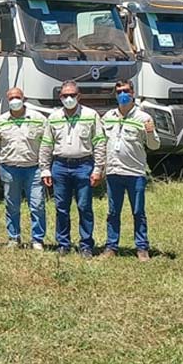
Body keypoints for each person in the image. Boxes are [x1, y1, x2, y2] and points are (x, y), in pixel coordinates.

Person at [39, 80, 107, 258]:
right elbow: (46, 144)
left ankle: (86, 245)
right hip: (60, 166)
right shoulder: (54, 117)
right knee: (61, 207)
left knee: (84, 206)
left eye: (72, 95)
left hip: (84, 165)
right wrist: (45, 169)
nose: (68, 98)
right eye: (64, 95)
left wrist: (98, 168)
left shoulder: (91, 115)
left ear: (79, 96)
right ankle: (63, 243)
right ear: (60, 97)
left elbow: (99, 142)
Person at [101, 80, 160, 261]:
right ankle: (111, 247)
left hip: (135, 172)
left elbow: (154, 145)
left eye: (125, 91)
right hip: (113, 172)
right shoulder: (108, 116)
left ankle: (142, 248)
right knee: (112, 212)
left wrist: (150, 132)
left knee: (138, 212)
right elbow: (101, 143)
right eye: (119, 91)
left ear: (133, 93)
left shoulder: (143, 118)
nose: (122, 94)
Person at [0, 87, 48, 250]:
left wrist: (45, 167)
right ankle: (14, 238)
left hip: (33, 168)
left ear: (24, 98)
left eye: (17, 97)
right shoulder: (2, 120)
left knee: (37, 205)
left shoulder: (38, 119)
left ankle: (37, 239)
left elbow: (47, 142)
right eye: (11, 98)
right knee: (12, 205)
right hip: (10, 168)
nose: (15, 100)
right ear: (8, 101)